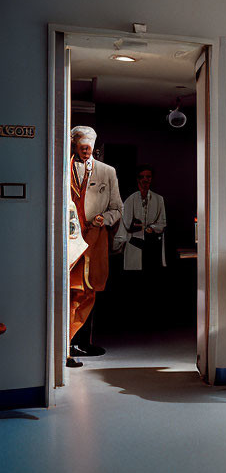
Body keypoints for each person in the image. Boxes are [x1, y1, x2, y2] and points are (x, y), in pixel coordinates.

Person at [68, 126, 122, 367]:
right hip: (69, 239)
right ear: (75, 147)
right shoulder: (62, 169)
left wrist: (104, 219)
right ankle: (65, 345)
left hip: (94, 239)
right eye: (82, 149)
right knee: (68, 291)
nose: (86, 153)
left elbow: (117, 208)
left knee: (89, 290)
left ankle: (78, 343)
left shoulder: (107, 172)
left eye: (89, 149)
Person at [116, 165, 167, 273]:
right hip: (135, 243)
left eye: (148, 177)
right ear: (138, 179)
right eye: (142, 177)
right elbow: (126, 224)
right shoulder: (130, 200)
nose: (145, 180)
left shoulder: (159, 199)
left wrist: (151, 228)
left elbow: (162, 223)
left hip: (152, 245)